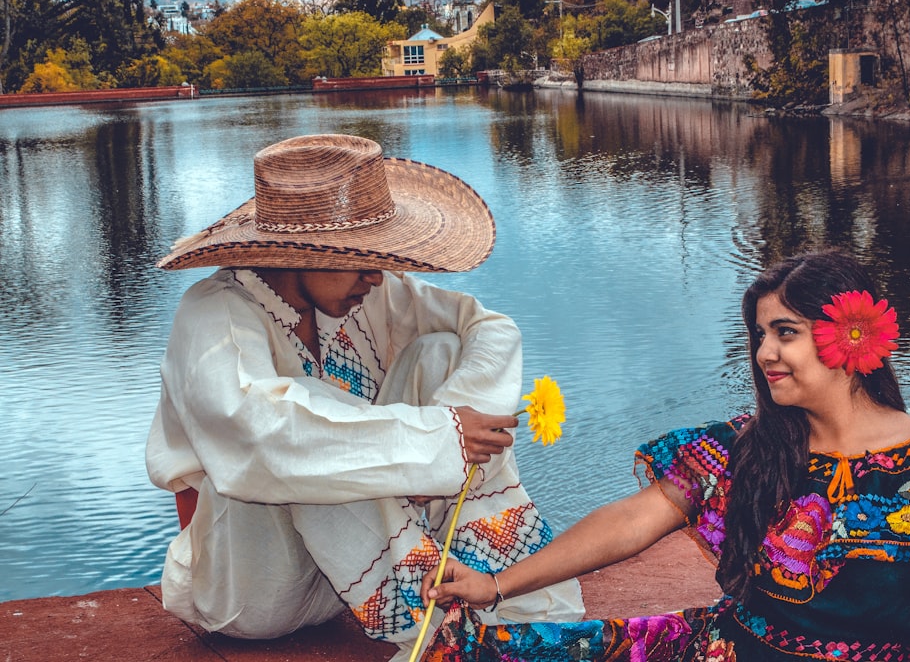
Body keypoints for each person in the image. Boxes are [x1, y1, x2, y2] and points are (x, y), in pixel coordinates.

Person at [419, 249, 910, 661]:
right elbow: (632, 520)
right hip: (732, 651)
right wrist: (496, 585)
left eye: (785, 332)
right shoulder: (744, 446)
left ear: (850, 335)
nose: (765, 352)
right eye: (760, 334)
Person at [145, 134, 584, 661]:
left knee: (441, 352)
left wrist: (448, 436)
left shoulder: (371, 294)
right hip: (253, 588)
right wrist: (432, 446)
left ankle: (502, 597)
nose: (377, 275)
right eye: (359, 257)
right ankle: (434, 628)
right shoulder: (212, 315)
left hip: (352, 573)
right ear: (297, 255)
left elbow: (489, 328)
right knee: (308, 408)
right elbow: (262, 439)